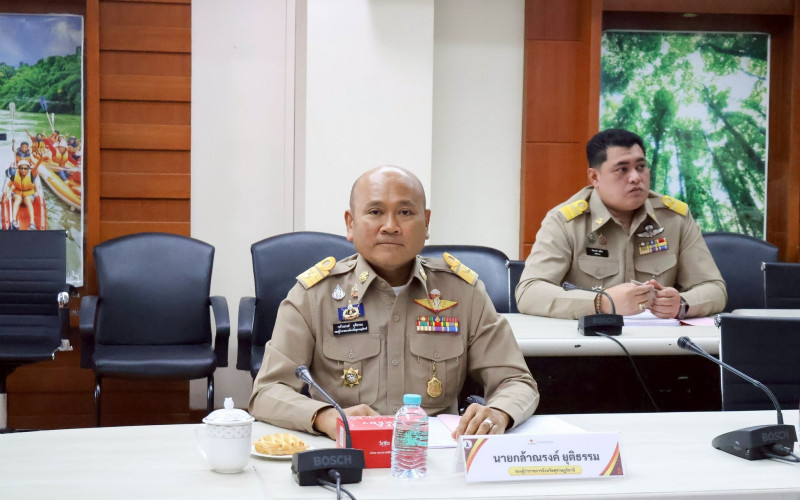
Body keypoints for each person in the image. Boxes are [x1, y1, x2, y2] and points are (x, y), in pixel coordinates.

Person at [249, 165, 539, 440]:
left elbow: (516, 380)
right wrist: (327, 418)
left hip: (433, 453)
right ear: (350, 223)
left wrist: (499, 412)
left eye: (405, 212)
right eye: (375, 212)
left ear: (426, 222)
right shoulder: (314, 296)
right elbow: (268, 391)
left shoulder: (463, 293)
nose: (390, 226)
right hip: (346, 450)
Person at [515, 128, 727, 320]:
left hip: (661, 343)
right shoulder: (565, 222)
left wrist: (681, 304)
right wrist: (602, 303)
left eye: (641, 167)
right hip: (588, 344)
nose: (635, 177)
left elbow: (714, 288)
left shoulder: (674, 219)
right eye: (622, 169)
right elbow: (529, 292)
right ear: (595, 177)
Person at [4, 155, 42, 230]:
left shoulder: (32, 174)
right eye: (21, 168)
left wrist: (40, 159)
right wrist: (7, 193)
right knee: (18, 198)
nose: (23, 170)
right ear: (19, 168)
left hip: (29, 195)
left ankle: (32, 223)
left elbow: (36, 166)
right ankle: (14, 221)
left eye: (25, 168)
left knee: (27, 199)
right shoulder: (14, 175)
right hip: (17, 194)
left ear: (28, 169)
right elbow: (8, 185)